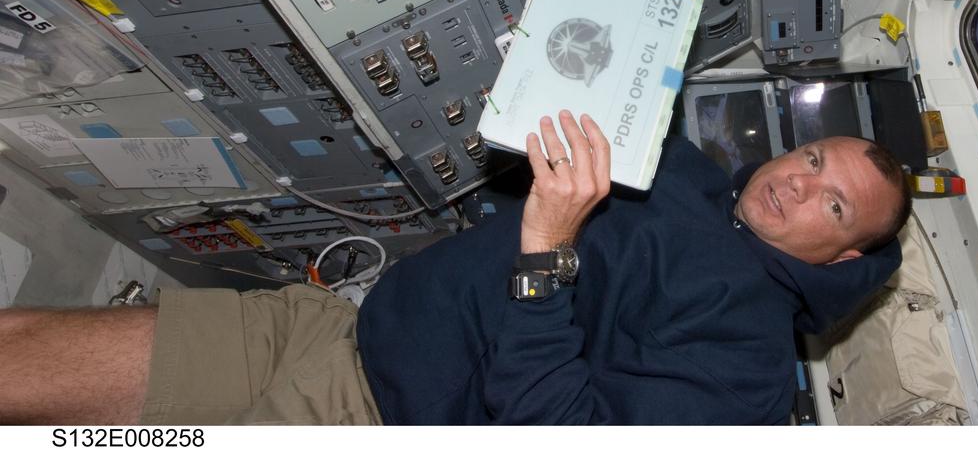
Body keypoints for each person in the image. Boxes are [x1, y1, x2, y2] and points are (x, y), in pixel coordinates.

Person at [0, 111, 910, 425]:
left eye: (833, 204)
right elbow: (555, 136)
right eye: (816, 158)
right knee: (23, 347)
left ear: (849, 257)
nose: (799, 182)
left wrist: (547, 250)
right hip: (346, 327)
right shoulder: (684, 171)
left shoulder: (746, 370)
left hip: (380, 415)